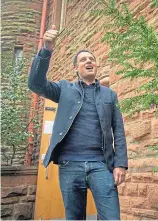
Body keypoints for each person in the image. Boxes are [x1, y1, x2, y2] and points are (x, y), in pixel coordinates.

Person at [28, 25, 128, 220]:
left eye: (92, 59)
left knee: (112, 217)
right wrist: (46, 49)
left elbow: (119, 131)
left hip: (101, 165)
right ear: (76, 68)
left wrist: (121, 164)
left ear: (96, 66)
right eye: (83, 60)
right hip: (69, 164)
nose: (88, 61)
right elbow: (35, 84)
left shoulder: (110, 95)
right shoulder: (64, 89)